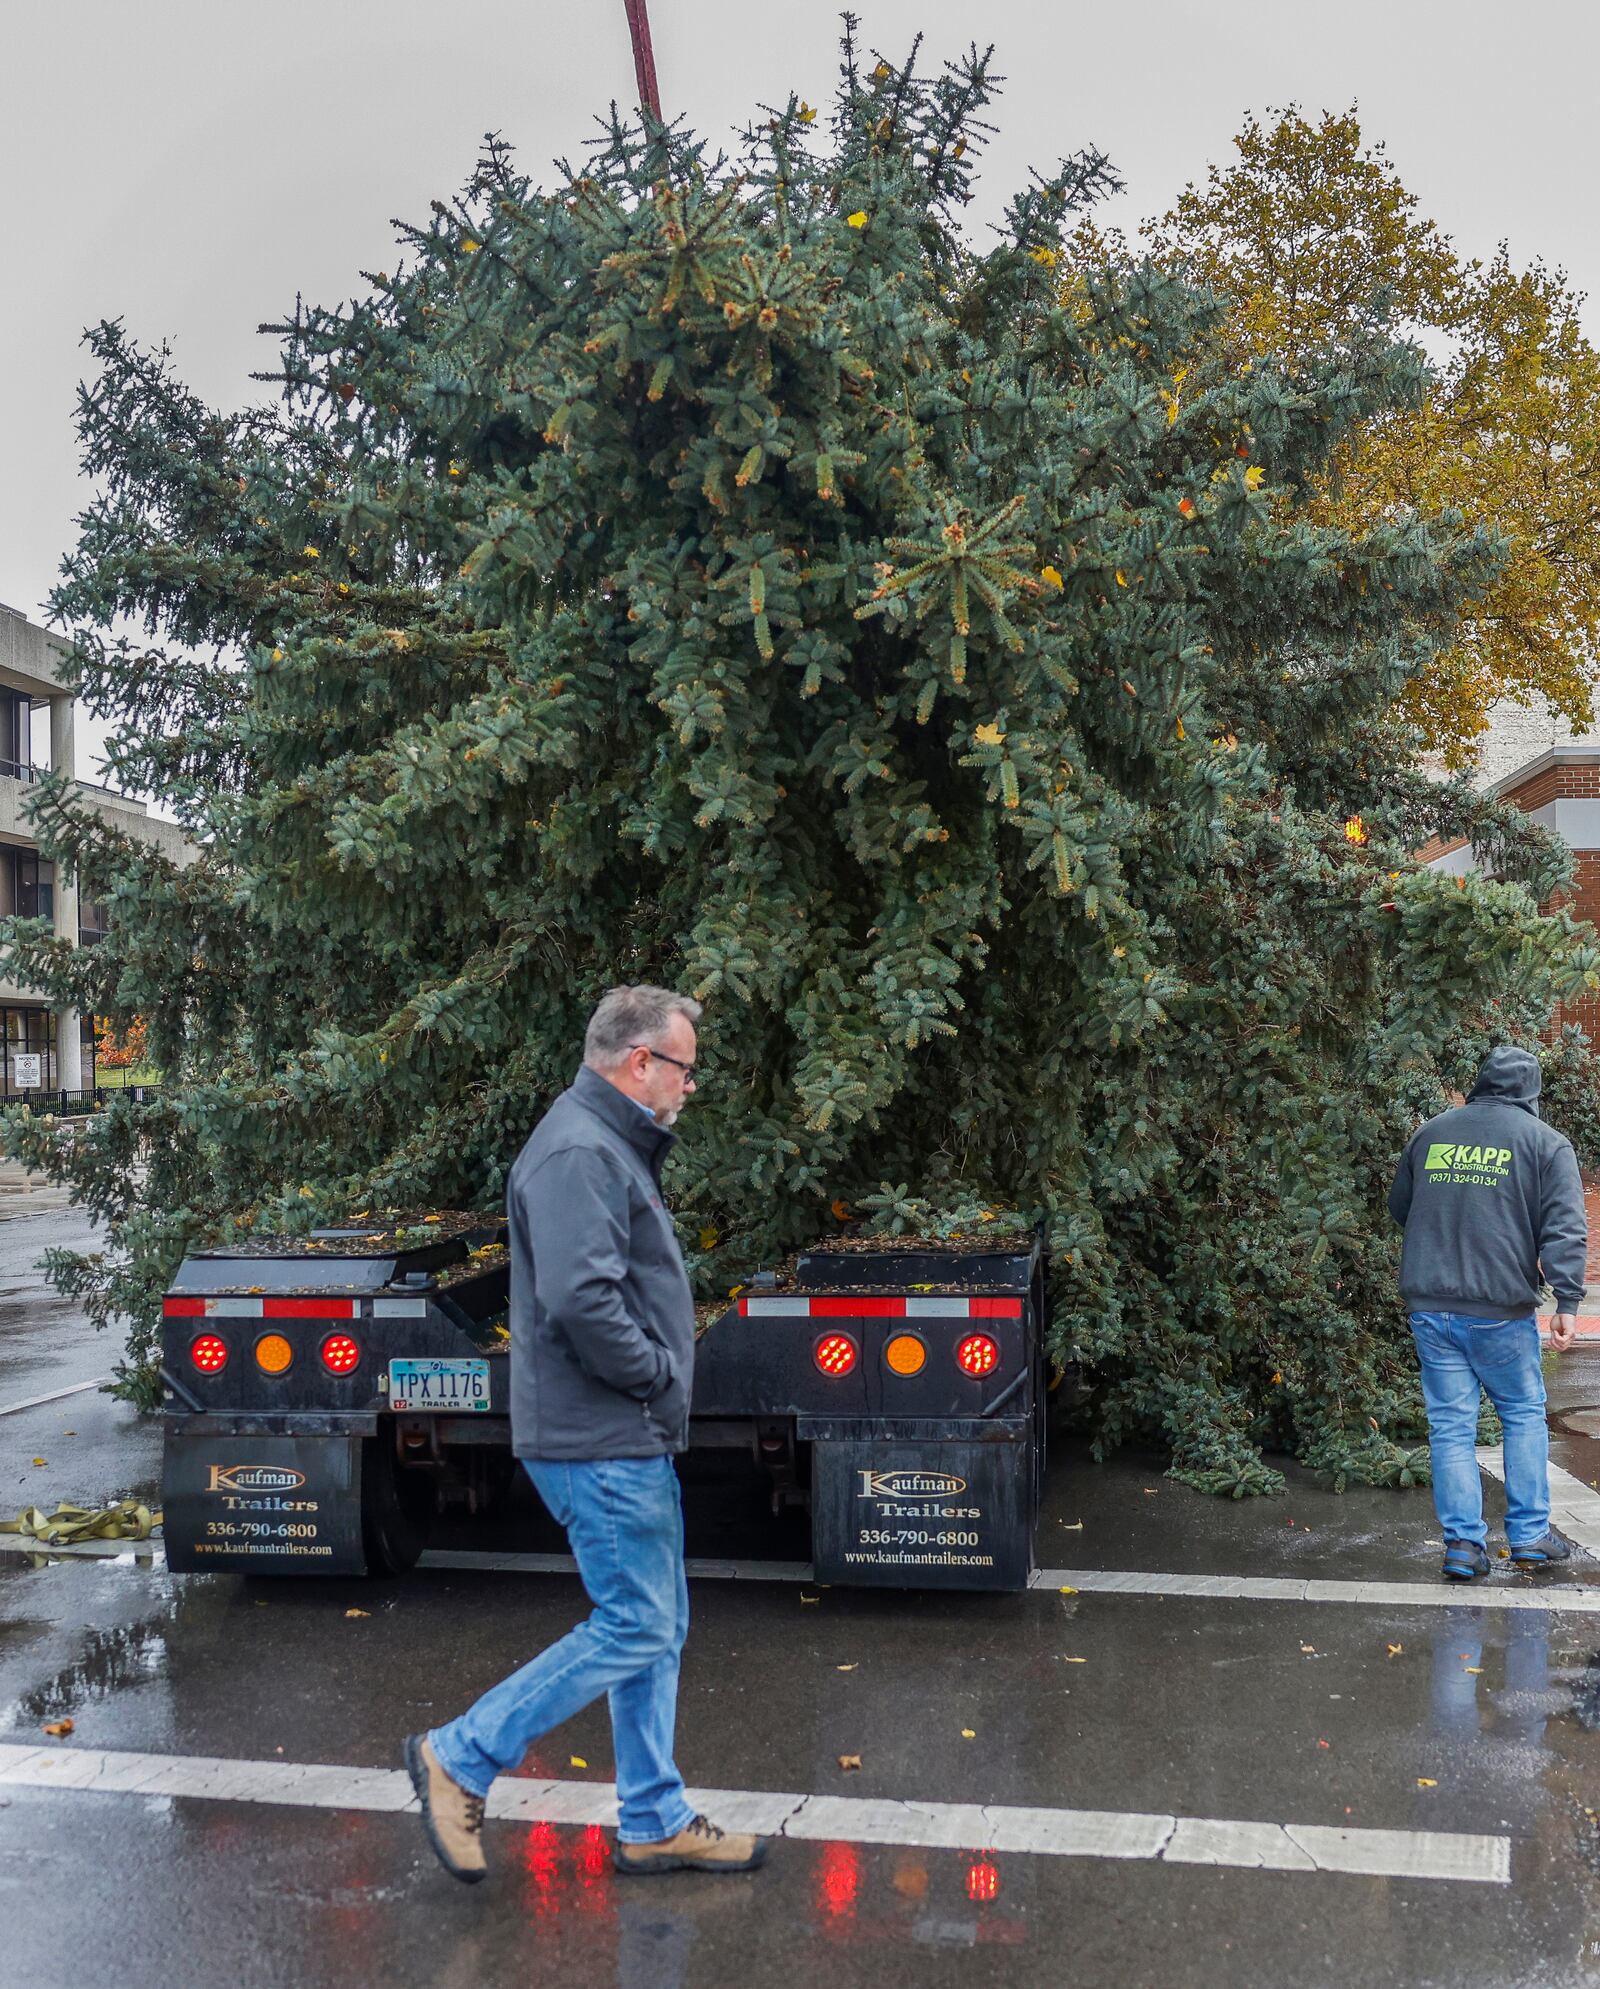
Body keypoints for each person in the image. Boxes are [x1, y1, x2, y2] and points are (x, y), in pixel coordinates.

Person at [404, 986, 768, 1880]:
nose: (691, 1084)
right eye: (684, 1065)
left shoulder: (601, 1141)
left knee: (655, 1623)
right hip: (602, 1433)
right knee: (639, 1622)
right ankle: (463, 1752)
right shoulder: (577, 1149)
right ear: (640, 1061)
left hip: (619, 1431)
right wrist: (655, 1372)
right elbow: (582, 1299)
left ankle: (652, 1815)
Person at [1389, 1045, 1585, 1582]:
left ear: (1481, 1083)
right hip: (1500, 1308)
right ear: (1531, 1092)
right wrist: (1567, 1301)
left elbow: (1401, 1208)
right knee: (1521, 1413)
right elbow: (1564, 1229)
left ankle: (1462, 1547)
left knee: (1450, 1426)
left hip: (1431, 1304)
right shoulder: (1545, 1144)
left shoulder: (1432, 1132)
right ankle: (1528, 1537)